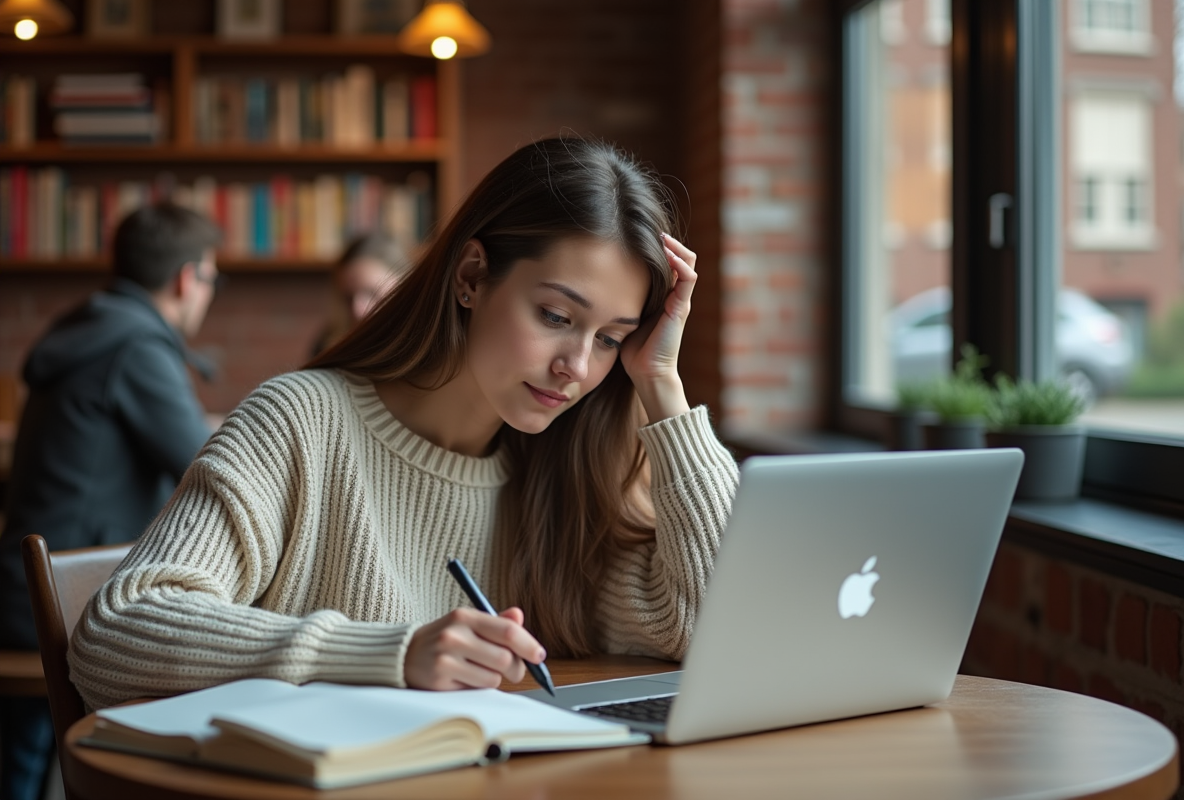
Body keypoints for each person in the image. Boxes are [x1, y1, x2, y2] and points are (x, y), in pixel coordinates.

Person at [67, 137, 739, 712]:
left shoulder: (563, 469)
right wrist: (392, 653)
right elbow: (116, 633)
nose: (577, 367)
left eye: (610, 339)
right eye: (557, 318)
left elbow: (713, 629)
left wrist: (661, 387)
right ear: (473, 276)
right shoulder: (303, 421)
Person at [0, 203, 221, 800]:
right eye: (211, 280)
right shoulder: (138, 347)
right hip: (57, 607)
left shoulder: (90, 328)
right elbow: (211, 466)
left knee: (22, 763)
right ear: (186, 277)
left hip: (26, 589)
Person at [311, 233, 408, 357]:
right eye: (348, 298)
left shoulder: (424, 346)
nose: (357, 310)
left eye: (371, 293)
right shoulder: (326, 346)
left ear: (403, 285)